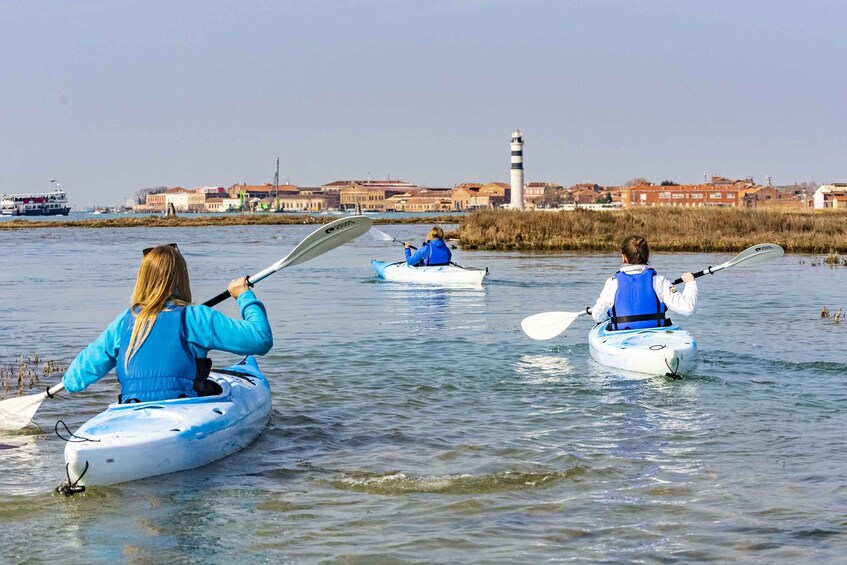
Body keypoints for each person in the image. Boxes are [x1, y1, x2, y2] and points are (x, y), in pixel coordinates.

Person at [62, 243, 273, 403]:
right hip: (182, 407)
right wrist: (245, 296)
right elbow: (260, 339)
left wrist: (65, 382)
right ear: (182, 278)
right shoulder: (195, 317)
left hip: (132, 407)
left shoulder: (124, 322)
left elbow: (73, 381)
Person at [590, 235, 698, 331]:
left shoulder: (612, 283)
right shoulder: (659, 281)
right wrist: (690, 282)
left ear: (624, 257)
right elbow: (688, 308)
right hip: (656, 337)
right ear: (647, 256)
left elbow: (597, 316)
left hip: (622, 338)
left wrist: (610, 313)